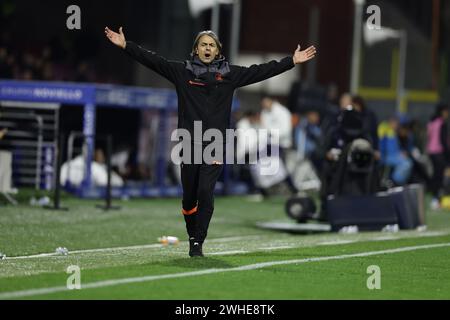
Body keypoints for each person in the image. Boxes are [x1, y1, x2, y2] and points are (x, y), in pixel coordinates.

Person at [105, 26, 316, 257]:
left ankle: (198, 241)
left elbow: (261, 71)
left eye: (212, 45)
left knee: (206, 191)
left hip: (215, 142)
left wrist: (291, 61)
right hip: (188, 141)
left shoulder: (229, 75)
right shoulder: (181, 72)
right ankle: (192, 232)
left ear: (218, 51)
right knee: (188, 197)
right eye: (203, 44)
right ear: (196, 49)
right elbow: (154, 61)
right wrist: (126, 46)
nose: (208, 48)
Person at [426, 103, 450, 209]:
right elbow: (443, 141)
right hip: (439, 152)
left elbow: (429, 137)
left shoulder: (432, 122)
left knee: (436, 175)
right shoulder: (441, 123)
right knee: (439, 177)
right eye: (446, 111)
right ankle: (436, 199)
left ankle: (435, 199)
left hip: (431, 152)